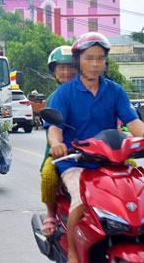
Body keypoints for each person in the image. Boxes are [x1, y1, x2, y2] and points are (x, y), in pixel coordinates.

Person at [46, 32, 144, 262]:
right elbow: (54, 128)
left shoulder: (115, 91)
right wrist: (57, 144)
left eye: (100, 58)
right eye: (90, 58)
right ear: (79, 60)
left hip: (113, 160)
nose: (95, 63)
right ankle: (73, 253)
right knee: (81, 201)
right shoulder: (64, 93)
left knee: (137, 195)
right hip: (76, 161)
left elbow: (135, 124)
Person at [39, 45, 78, 236]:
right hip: (65, 153)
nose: (66, 72)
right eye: (61, 68)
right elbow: (52, 130)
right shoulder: (54, 98)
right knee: (48, 176)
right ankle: (51, 212)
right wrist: (56, 145)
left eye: (71, 67)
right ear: (54, 72)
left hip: (97, 152)